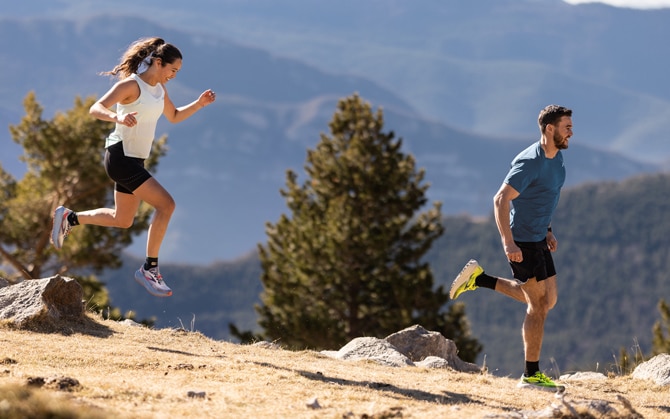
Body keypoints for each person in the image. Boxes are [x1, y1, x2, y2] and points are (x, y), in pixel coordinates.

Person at [51, 37, 216, 297]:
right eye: (173, 70)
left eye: (177, 72)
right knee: (166, 205)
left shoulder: (160, 90)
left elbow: (173, 116)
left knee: (123, 219)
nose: (174, 75)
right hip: (120, 157)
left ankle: (69, 218)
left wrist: (199, 104)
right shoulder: (131, 85)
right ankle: (150, 269)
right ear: (158, 63)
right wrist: (117, 116)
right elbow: (96, 108)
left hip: (135, 159)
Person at [449, 104, 573, 391]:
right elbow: (500, 200)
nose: (571, 133)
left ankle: (479, 278)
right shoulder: (529, 162)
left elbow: (546, 197)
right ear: (550, 129)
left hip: (539, 237)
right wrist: (508, 242)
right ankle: (531, 375)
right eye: (566, 128)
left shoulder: (557, 159)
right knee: (537, 306)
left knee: (548, 300)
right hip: (523, 240)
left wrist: (549, 230)